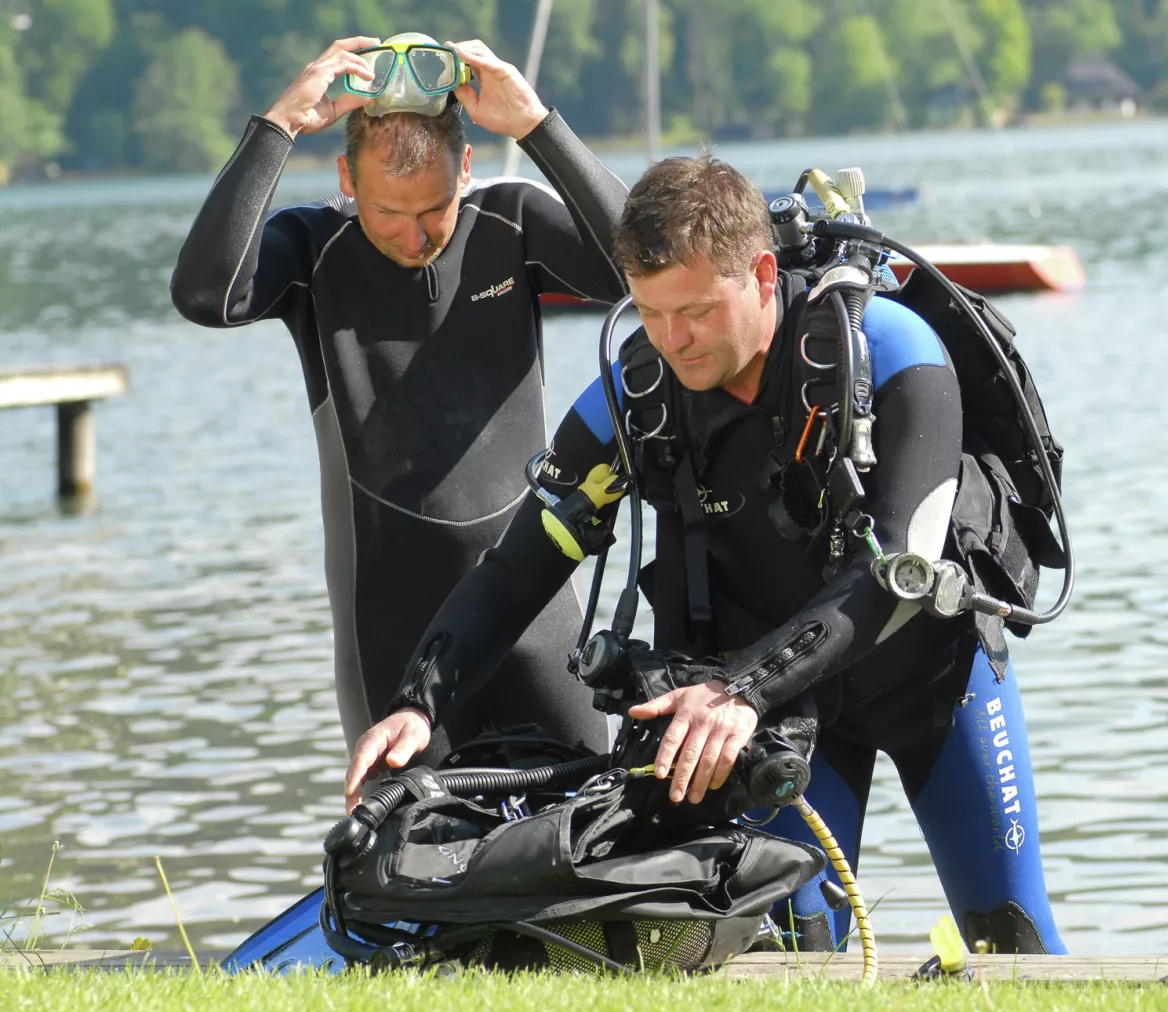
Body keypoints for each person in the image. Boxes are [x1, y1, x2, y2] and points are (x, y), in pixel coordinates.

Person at [345, 155, 1068, 955]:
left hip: (931, 686)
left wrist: (741, 690)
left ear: (762, 273)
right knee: (794, 963)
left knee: (1016, 944)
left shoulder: (891, 351)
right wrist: (420, 699)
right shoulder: (636, 394)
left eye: (693, 310)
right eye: (650, 313)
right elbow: (519, 568)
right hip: (770, 720)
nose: (672, 339)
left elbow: (895, 577)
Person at [170, 34, 625, 764]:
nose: (415, 235)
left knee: (588, 845)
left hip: (535, 625)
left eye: (435, 209)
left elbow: (651, 266)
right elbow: (203, 294)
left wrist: (538, 125)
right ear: (348, 178)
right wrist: (279, 125)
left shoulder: (510, 221)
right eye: (388, 212)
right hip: (391, 638)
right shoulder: (312, 250)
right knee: (405, 864)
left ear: (467, 166)